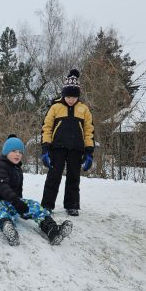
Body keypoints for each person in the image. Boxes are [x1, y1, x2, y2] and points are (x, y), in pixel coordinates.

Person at [0, 135, 73, 246]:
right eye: (14, 151)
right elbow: (2, 186)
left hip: (12, 201)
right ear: (6, 152)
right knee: (0, 210)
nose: (18, 154)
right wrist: (16, 202)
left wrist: (22, 206)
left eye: (20, 152)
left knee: (34, 205)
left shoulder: (17, 169)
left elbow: (18, 191)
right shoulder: (1, 166)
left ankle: (52, 229)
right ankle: (8, 227)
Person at [40, 69, 95, 216]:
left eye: (74, 96)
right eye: (68, 96)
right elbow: (46, 128)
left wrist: (89, 151)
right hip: (57, 148)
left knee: (73, 177)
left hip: (76, 149)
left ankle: (72, 205)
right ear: (64, 94)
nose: (71, 99)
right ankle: (47, 205)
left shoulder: (84, 110)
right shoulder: (55, 107)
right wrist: (45, 149)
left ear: (78, 96)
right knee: (53, 176)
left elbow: (89, 131)